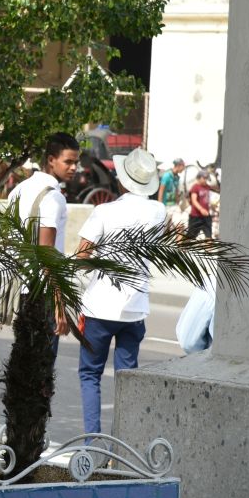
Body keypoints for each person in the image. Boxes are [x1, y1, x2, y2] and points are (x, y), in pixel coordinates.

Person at [76, 148, 167, 435]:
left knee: (90, 375)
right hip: (134, 308)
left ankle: (93, 445)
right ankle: (123, 445)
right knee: (126, 379)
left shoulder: (104, 211)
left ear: (121, 180)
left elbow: (82, 257)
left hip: (99, 308)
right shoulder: (158, 212)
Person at [6, 132, 80, 354]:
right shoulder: (53, 198)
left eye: (76, 162)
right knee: (42, 371)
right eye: (68, 161)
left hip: (22, 288)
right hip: (44, 294)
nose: (74, 167)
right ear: (51, 160)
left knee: (24, 366)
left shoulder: (19, 189)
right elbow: (46, 253)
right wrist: (59, 306)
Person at [157, 158, 187, 230]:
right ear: (179, 165)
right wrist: (160, 206)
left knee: (180, 226)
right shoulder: (167, 176)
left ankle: (178, 242)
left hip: (174, 206)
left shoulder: (177, 177)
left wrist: (177, 202)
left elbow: (176, 190)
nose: (184, 169)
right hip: (165, 206)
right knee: (165, 229)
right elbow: (161, 191)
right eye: (183, 166)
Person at [186, 170, 214, 240]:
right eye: (204, 178)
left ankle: (209, 250)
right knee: (190, 237)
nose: (205, 180)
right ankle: (181, 248)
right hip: (196, 216)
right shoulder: (195, 187)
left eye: (206, 178)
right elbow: (194, 200)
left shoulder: (208, 187)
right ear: (199, 178)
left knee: (209, 236)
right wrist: (201, 209)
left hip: (206, 216)